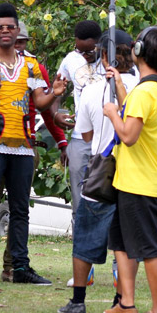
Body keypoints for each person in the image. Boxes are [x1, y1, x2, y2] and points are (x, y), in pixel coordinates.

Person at [0, 3, 67, 286]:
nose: (6, 32)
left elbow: (39, 101)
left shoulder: (31, 64)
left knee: (21, 209)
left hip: (23, 145)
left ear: (17, 29)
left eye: (11, 27)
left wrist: (55, 93)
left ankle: (19, 267)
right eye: (1, 27)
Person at [58, 30, 138, 313]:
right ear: (133, 51)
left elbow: (87, 134)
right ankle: (122, 298)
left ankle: (78, 300)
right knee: (127, 239)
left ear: (104, 55)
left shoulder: (92, 90)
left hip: (100, 170)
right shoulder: (143, 87)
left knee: (86, 234)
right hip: (134, 172)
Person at [102, 26, 157, 313]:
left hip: (140, 182)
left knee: (148, 248)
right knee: (121, 241)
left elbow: (129, 135)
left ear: (139, 51)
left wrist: (111, 113)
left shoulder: (146, 91)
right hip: (131, 179)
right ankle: (126, 304)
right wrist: (119, 83)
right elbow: (134, 106)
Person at [54, 21, 104, 220]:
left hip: (106, 137)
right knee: (78, 196)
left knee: (105, 195)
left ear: (100, 44)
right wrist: (56, 112)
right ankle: (79, 247)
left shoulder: (113, 59)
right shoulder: (70, 60)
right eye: (79, 50)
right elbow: (56, 90)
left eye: (89, 51)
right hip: (79, 138)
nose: (84, 56)